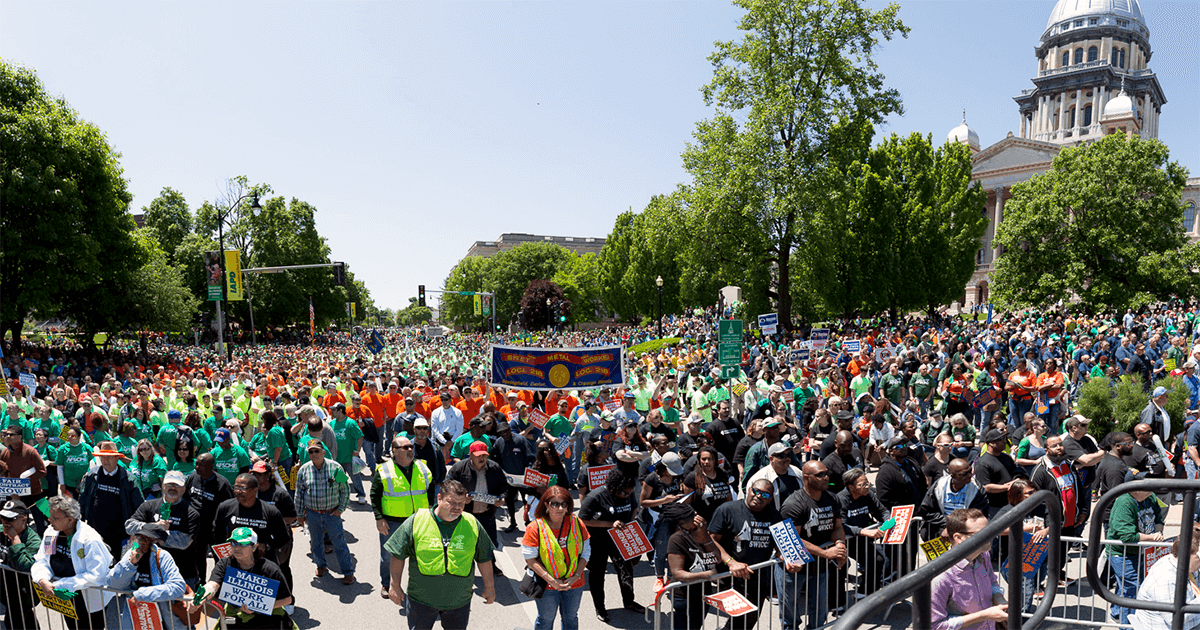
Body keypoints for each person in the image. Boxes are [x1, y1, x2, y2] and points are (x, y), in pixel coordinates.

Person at [385, 479, 496, 630]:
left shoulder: (472, 523)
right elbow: (398, 553)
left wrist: (489, 586)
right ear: (439, 498)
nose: (457, 508)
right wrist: (394, 585)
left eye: (461, 504)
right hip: (421, 601)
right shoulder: (417, 520)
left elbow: (484, 557)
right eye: (451, 502)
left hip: (458, 603)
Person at [778, 460, 846, 630]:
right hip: (796, 567)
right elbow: (793, 538)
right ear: (806, 478)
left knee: (819, 613)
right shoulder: (794, 503)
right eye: (820, 474)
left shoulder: (832, 498)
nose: (826, 477)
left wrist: (840, 546)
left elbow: (837, 527)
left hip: (820, 568)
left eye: (826, 473)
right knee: (790, 617)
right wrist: (825, 553)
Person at [31, 495, 115, 630]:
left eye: (55, 518)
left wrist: (61, 584)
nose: (49, 520)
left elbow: (95, 575)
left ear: (70, 520)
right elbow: (42, 560)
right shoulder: (51, 533)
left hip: (88, 599)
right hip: (65, 596)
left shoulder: (90, 539)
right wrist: (42, 579)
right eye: (50, 516)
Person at [707, 478, 780, 630]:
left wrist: (786, 556)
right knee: (740, 619)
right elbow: (711, 541)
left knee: (749, 619)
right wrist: (731, 562)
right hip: (730, 576)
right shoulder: (727, 509)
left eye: (765, 495)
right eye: (756, 491)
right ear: (748, 489)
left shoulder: (775, 516)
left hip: (759, 577)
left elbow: (783, 543)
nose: (759, 496)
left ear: (770, 499)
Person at [190, 527, 294, 629]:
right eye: (233, 543)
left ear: (254, 547)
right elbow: (212, 585)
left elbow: (287, 600)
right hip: (235, 619)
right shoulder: (225, 563)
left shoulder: (270, 569)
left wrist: (257, 608)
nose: (237, 548)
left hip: (267, 621)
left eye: (242, 544)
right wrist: (201, 597)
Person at [578, 469, 644, 622]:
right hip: (598, 541)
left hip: (620, 540)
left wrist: (631, 525)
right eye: (624, 493)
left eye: (629, 493)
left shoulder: (628, 493)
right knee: (598, 575)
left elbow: (634, 508)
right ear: (614, 486)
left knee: (626, 571)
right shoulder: (595, 497)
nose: (626, 496)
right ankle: (600, 608)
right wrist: (609, 524)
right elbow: (582, 520)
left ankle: (629, 601)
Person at [372, 434, 433, 598]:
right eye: (405, 447)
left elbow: (431, 490)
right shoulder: (384, 470)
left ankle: (418, 586)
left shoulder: (422, 467)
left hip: (419, 521)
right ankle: (387, 584)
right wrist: (379, 518)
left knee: (421, 554)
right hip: (392, 523)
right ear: (394, 451)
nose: (410, 450)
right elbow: (375, 495)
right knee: (388, 556)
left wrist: (432, 511)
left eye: (411, 447)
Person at [522, 486, 589, 630]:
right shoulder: (535, 527)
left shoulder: (577, 523)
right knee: (545, 620)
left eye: (563, 504)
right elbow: (530, 559)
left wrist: (576, 576)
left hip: (574, 583)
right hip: (547, 585)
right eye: (554, 504)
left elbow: (585, 553)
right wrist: (552, 581)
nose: (559, 508)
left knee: (570, 618)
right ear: (546, 505)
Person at [126, 470, 202, 587]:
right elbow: (129, 526)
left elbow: (183, 542)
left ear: (183, 489)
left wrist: (149, 535)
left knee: (183, 606)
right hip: (148, 570)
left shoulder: (191, 513)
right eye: (169, 484)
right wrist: (154, 526)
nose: (172, 488)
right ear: (162, 486)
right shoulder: (148, 505)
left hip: (182, 573)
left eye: (177, 485)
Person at [1107, 471, 1165, 624]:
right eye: (1145, 483)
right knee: (1133, 589)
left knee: (1127, 585)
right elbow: (1127, 537)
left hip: (1141, 551)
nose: (1150, 485)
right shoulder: (1124, 502)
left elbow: (1159, 517)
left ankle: (1116, 613)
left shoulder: (1150, 497)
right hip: (1123, 554)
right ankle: (1127, 626)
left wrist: (1158, 533)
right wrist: (1153, 538)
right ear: (1135, 488)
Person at [294, 440, 355, 585]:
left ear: (323, 452)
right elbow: (299, 494)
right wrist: (300, 515)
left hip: (331, 513)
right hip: (312, 514)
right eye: (311, 451)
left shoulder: (336, 467)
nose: (314, 454)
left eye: (317, 451)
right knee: (316, 543)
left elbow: (345, 490)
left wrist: (340, 509)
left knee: (339, 543)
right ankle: (321, 565)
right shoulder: (303, 470)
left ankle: (348, 572)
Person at [105, 521, 187, 629]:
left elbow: (178, 586)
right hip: (134, 619)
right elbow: (113, 584)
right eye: (140, 538)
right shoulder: (130, 554)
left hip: (160, 619)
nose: (142, 543)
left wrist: (143, 594)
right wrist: (130, 564)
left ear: (153, 541)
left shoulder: (162, 556)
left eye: (146, 539)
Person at [78, 440, 144, 557]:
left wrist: (135, 530)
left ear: (117, 458)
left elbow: (139, 506)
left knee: (118, 559)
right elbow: (82, 500)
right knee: (97, 557)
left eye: (109, 457)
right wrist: (79, 523)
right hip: (96, 528)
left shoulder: (128, 479)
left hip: (119, 530)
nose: (105, 460)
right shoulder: (91, 475)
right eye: (103, 457)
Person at [664, 502, 722, 630]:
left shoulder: (701, 532)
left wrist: (705, 537)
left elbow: (718, 558)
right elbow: (677, 573)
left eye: (695, 514)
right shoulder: (676, 540)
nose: (696, 519)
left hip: (703, 594)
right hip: (684, 598)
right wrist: (707, 575)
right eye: (692, 518)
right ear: (682, 523)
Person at [836, 469, 888, 601]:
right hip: (847, 539)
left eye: (867, 483)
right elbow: (842, 526)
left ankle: (865, 592)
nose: (867, 487)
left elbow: (881, 510)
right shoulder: (841, 499)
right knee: (841, 568)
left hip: (863, 538)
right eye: (862, 485)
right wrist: (864, 531)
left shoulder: (868, 495)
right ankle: (840, 602)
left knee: (877, 560)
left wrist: (888, 520)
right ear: (851, 487)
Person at [1130, 533, 1200, 630]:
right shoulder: (1166, 578)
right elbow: (1174, 617)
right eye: (1199, 558)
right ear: (1187, 556)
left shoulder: (1180, 564)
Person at [185, 452, 235, 579]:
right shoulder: (192, 477)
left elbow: (230, 508)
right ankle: (200, 584)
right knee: (198, 557)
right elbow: (185, 499)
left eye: (200, 464)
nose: (196, 467)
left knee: (221, 559)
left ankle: (218, 585)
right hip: (197, 528)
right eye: (196, 463)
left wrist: (228, 530)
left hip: (215, 530)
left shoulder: (223, 484)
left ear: (211, 466)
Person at [919, 458, 990, 537]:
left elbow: (980, 514)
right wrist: (946, 525)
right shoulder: (939, 487)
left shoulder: (976, 489)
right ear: (953, 476)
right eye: (964, 474)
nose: (969, 475)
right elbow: (926, 511)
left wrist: (954, 527)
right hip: (939, 531)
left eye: (970, 471)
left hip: (966, 532)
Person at [0, 500, 40, 630]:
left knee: (17, 622)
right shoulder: (2, 530)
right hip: (6, 588)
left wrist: (15, 540)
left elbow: (23, 565)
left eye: (10, 519)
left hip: (23, 594)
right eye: (3, 518)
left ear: (24, 519)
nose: (5, 522)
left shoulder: (34, 541)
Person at [974, 427, 1018, 513]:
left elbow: (1016, 471)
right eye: (1001, 439)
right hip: (994, 506)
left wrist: (1016, 481)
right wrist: (1007, 487)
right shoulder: (982, 463)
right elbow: (986, 487)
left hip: (1011, 503)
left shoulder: (1006, 457)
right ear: (991, 443)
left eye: (1005, 438)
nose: (1005, 441)